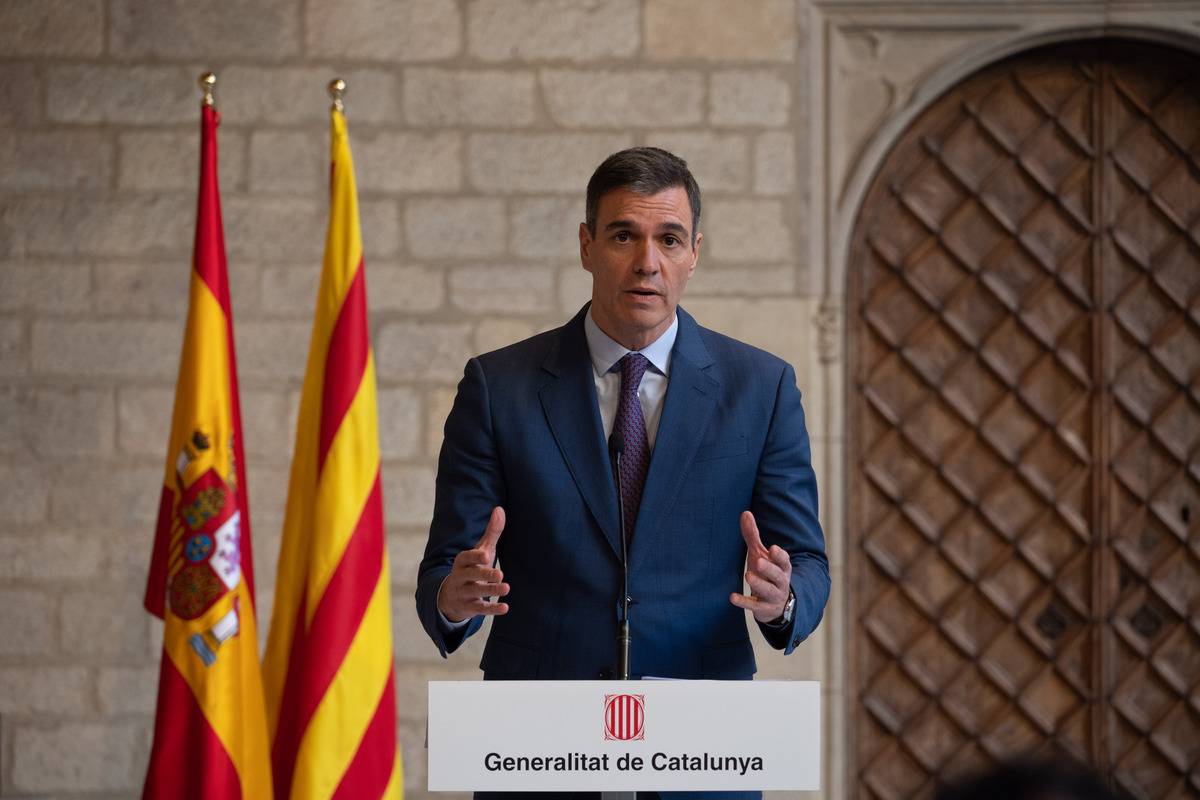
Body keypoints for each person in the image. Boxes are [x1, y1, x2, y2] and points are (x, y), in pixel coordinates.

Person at [415, 147, 829, 798]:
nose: (647, 262)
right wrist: (455, 595)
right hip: (538, 753)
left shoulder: (762, 388)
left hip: (703, 753)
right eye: (622, 236)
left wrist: (786, 598)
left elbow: (806, 559)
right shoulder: (499, 387)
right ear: (586, 246)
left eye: (668, 239)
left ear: (695, 252)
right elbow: (443, 571)